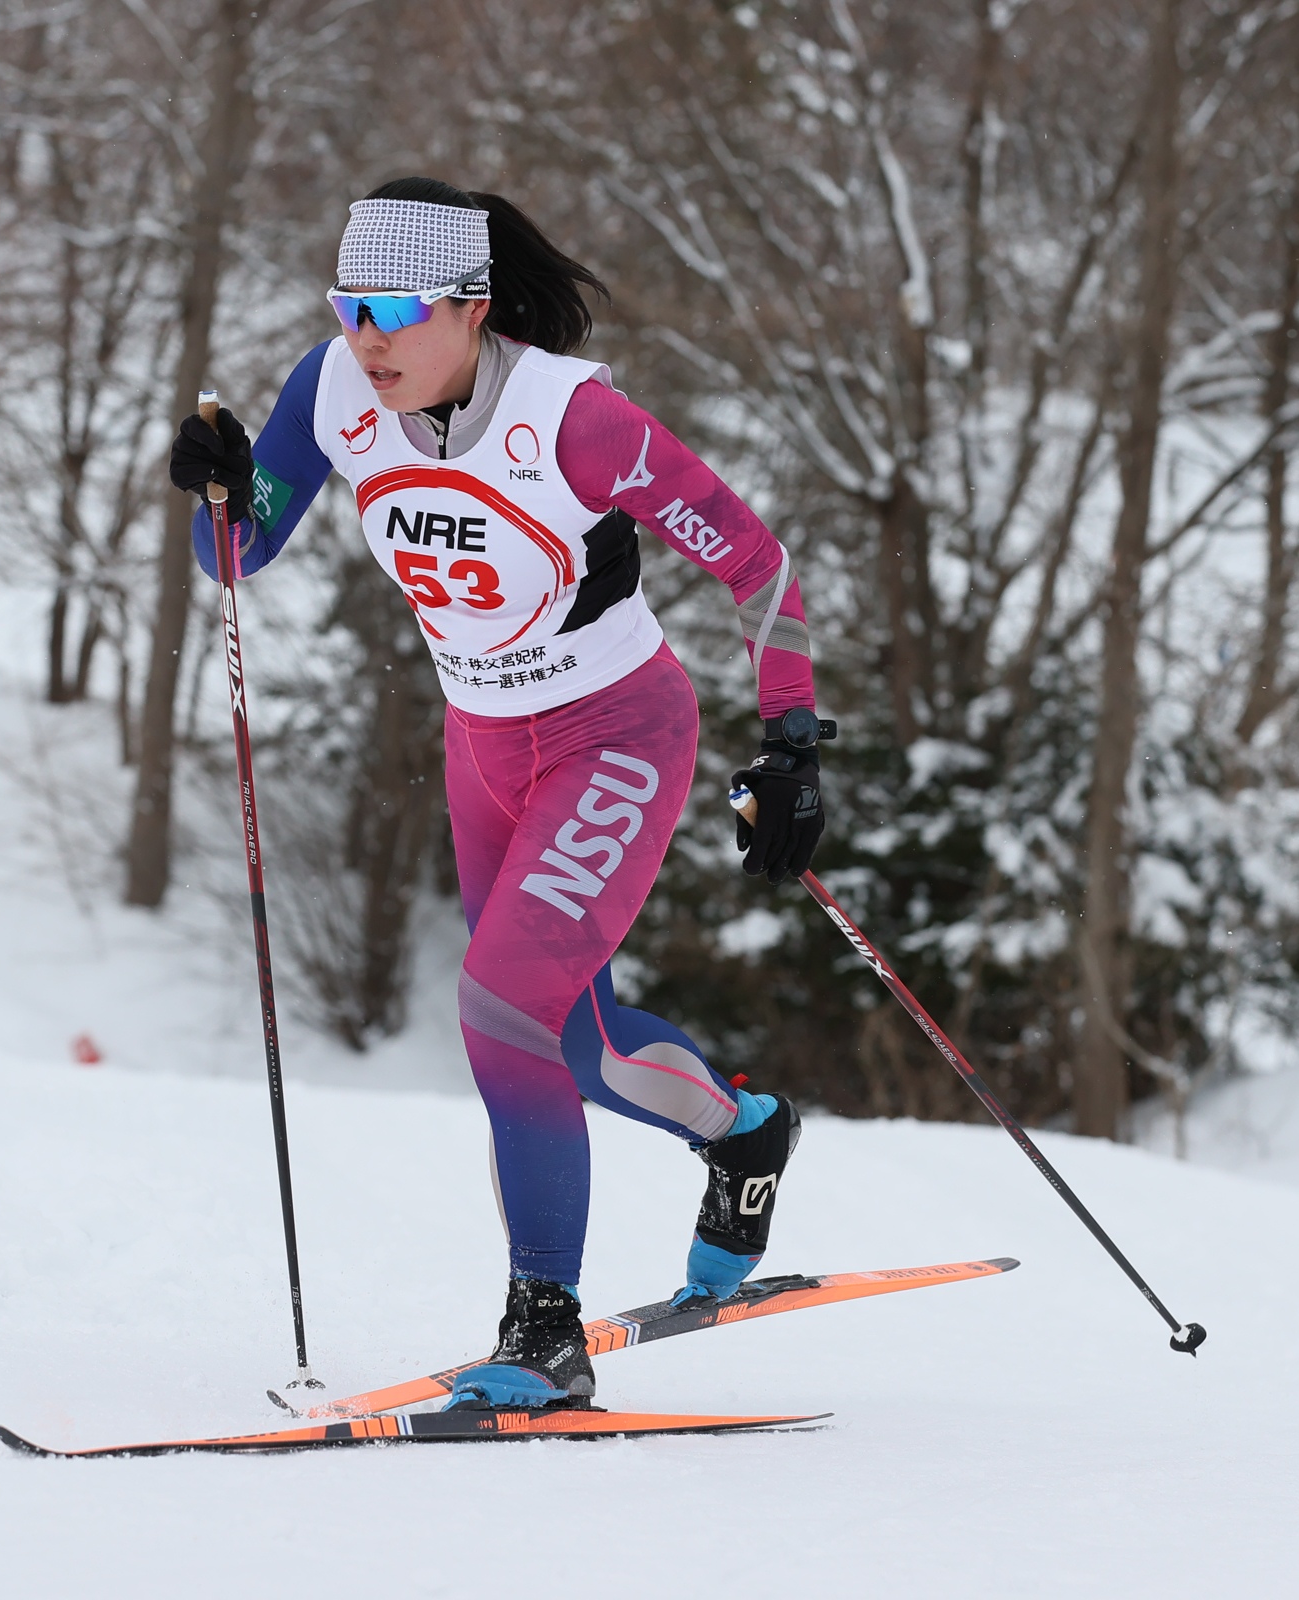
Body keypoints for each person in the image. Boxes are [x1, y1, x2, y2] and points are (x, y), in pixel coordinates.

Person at [168, 177, 827, 1410]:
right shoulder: (333, 391)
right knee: (571, 1042)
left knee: (501, 1008)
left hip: (617, 735)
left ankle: (544, 1329)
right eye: (348, 307)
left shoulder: (573, 421)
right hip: (483, 744)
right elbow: (237, 550)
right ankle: (743, 1131)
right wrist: (224, 483)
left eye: (395, 312)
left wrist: (791, 740)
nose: (366, 339)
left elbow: (756, 559)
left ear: (472, 307)